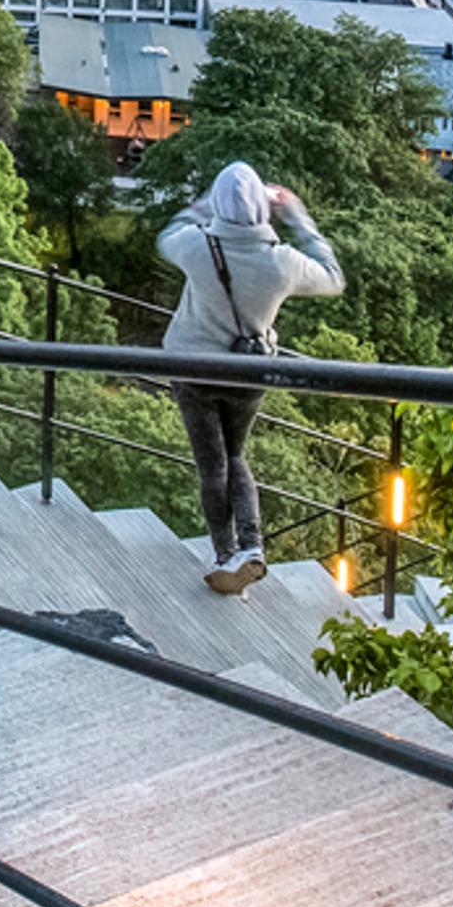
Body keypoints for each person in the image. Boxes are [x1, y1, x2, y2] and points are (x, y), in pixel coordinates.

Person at [158, 160, 344, 595]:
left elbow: (168, 236)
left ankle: (224, 554)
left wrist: (204, 207)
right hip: (249, 373)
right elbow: (334, 278)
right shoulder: (282, 262)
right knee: (236, 456)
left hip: (193, 370)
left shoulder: (195, 246)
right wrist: (296, 214)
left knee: (212, 465)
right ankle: (253, 546)